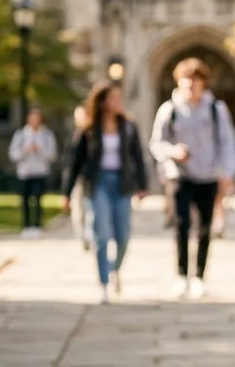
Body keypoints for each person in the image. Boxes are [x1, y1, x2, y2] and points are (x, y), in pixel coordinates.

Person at [149, 57, 235, 299]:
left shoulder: (216, 109)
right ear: (178, 82)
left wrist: (228, 172)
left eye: (195, 80)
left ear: (203, 83)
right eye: (185, 80)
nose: (190, 85)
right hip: (179, 176)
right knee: (181, 226)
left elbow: (227, 142)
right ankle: (181, 275)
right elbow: (156, 143)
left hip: (208, 176)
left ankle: (199, 276)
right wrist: (172, 152)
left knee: (204, 228)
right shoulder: (169, 110)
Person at [62, 81, 148, 303]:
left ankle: (114, 269)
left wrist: (141, 185)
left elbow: (137, 157)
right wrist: (66, 192)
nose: (119, 102)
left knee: (123, 235)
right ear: (102, 102)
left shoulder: (128, 126)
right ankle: (103, 283)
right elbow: (74, 161)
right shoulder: (88, 128)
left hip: (121, 183)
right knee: (100, 233)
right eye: (113, 98)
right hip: (97, 182)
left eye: (120, 97)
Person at [9, 107, 57, 238]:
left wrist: (40, 150)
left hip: (40, 171)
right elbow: (13, 154)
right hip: (25, 172)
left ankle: (37, 225)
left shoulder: (47, 135)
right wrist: (25, 151)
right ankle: (26, 225)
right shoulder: (21, 135)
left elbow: (52, 155)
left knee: (38, 199)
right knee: (24, 200)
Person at [64, 105, 94, 251]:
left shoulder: (94, 134)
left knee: (91, 209)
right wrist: (66, 192)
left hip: (92, 178)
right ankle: (83, 237)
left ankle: (90, 235)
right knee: (79, 210)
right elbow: (70, 164)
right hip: (79, 178)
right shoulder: (74, 136)